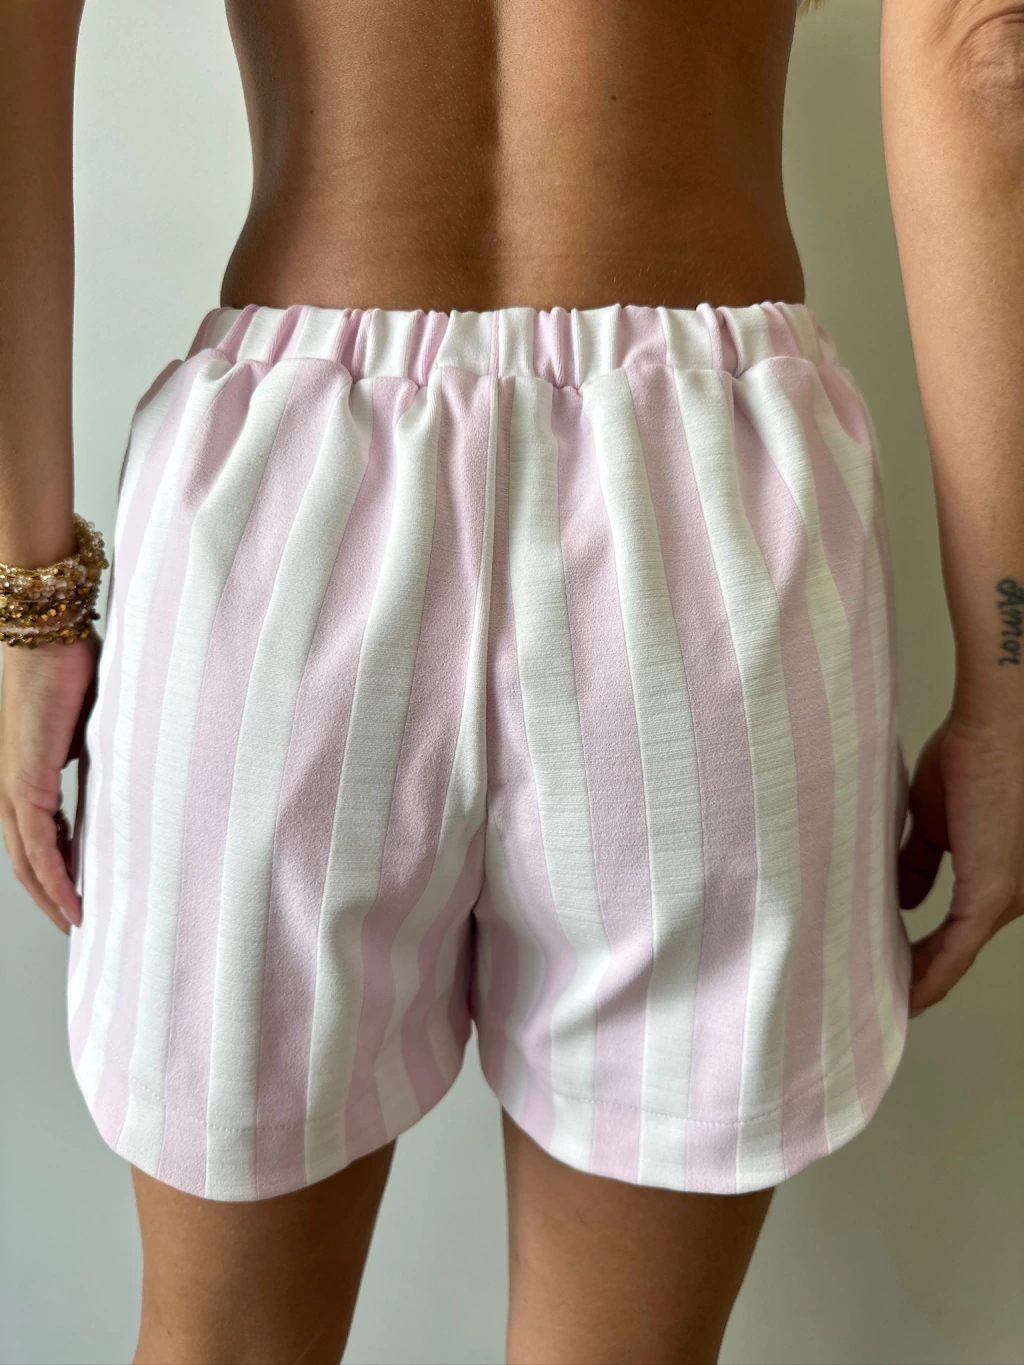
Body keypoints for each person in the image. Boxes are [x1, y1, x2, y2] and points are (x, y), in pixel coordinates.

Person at [1, 0, 1022, 1360]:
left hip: (284, 514)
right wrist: (1009, 684)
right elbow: (983, 53)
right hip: (708, 511)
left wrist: (32, 608)